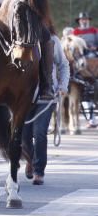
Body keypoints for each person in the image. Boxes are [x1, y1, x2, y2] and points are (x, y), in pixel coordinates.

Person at [22, 24, 70, 185]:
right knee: (24, 136)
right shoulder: (20, 40)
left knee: (40, 132)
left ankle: (38, 170)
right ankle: (31, 159)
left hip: (46, 95)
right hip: (25, 97)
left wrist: (63, 86)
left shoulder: (52, 40)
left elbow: (63, 65)